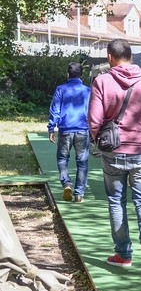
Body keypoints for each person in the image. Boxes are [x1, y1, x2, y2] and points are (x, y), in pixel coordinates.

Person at [88, 39, 141, 273]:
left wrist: (99, 141)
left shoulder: (101, 81)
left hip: (113, 152)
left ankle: (123, 254)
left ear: (109, 57)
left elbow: (94, 120)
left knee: (116, 201)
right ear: (132, 56)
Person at [48, 62, 91, 203]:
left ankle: (66, 183)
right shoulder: (88, 91)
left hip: (65, 130)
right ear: (81, 76)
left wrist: (51, 128)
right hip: (83, 130)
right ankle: (79, 194)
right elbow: (92, 112)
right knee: (82, 162)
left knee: (62, 159)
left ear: (68, 75)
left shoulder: (61, 89)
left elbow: (55, 109)